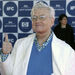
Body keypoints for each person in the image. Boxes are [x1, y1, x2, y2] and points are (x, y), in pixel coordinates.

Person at [0, 1, 75, 75]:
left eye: (42, 17)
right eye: (34, 18)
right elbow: (9, 73)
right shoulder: (20, 44)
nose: (37, 21)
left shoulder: (67, 50)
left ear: (52, 21)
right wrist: (5, 54)